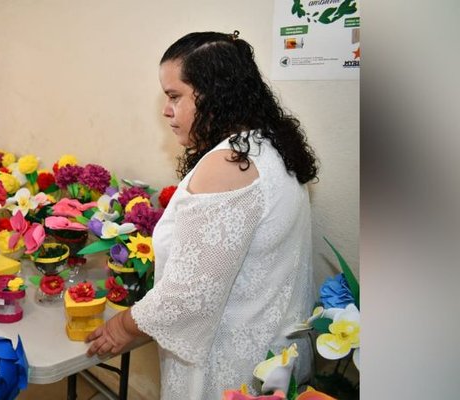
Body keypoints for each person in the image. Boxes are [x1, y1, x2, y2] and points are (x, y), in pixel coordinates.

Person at [86, 31, 319, 399]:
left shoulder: (229, 164)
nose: (166, 110)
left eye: (174, 96)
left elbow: (189, 296)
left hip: (226, 370)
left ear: (214, 94)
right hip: (272, 356)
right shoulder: (271, 146)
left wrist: (123, 327)